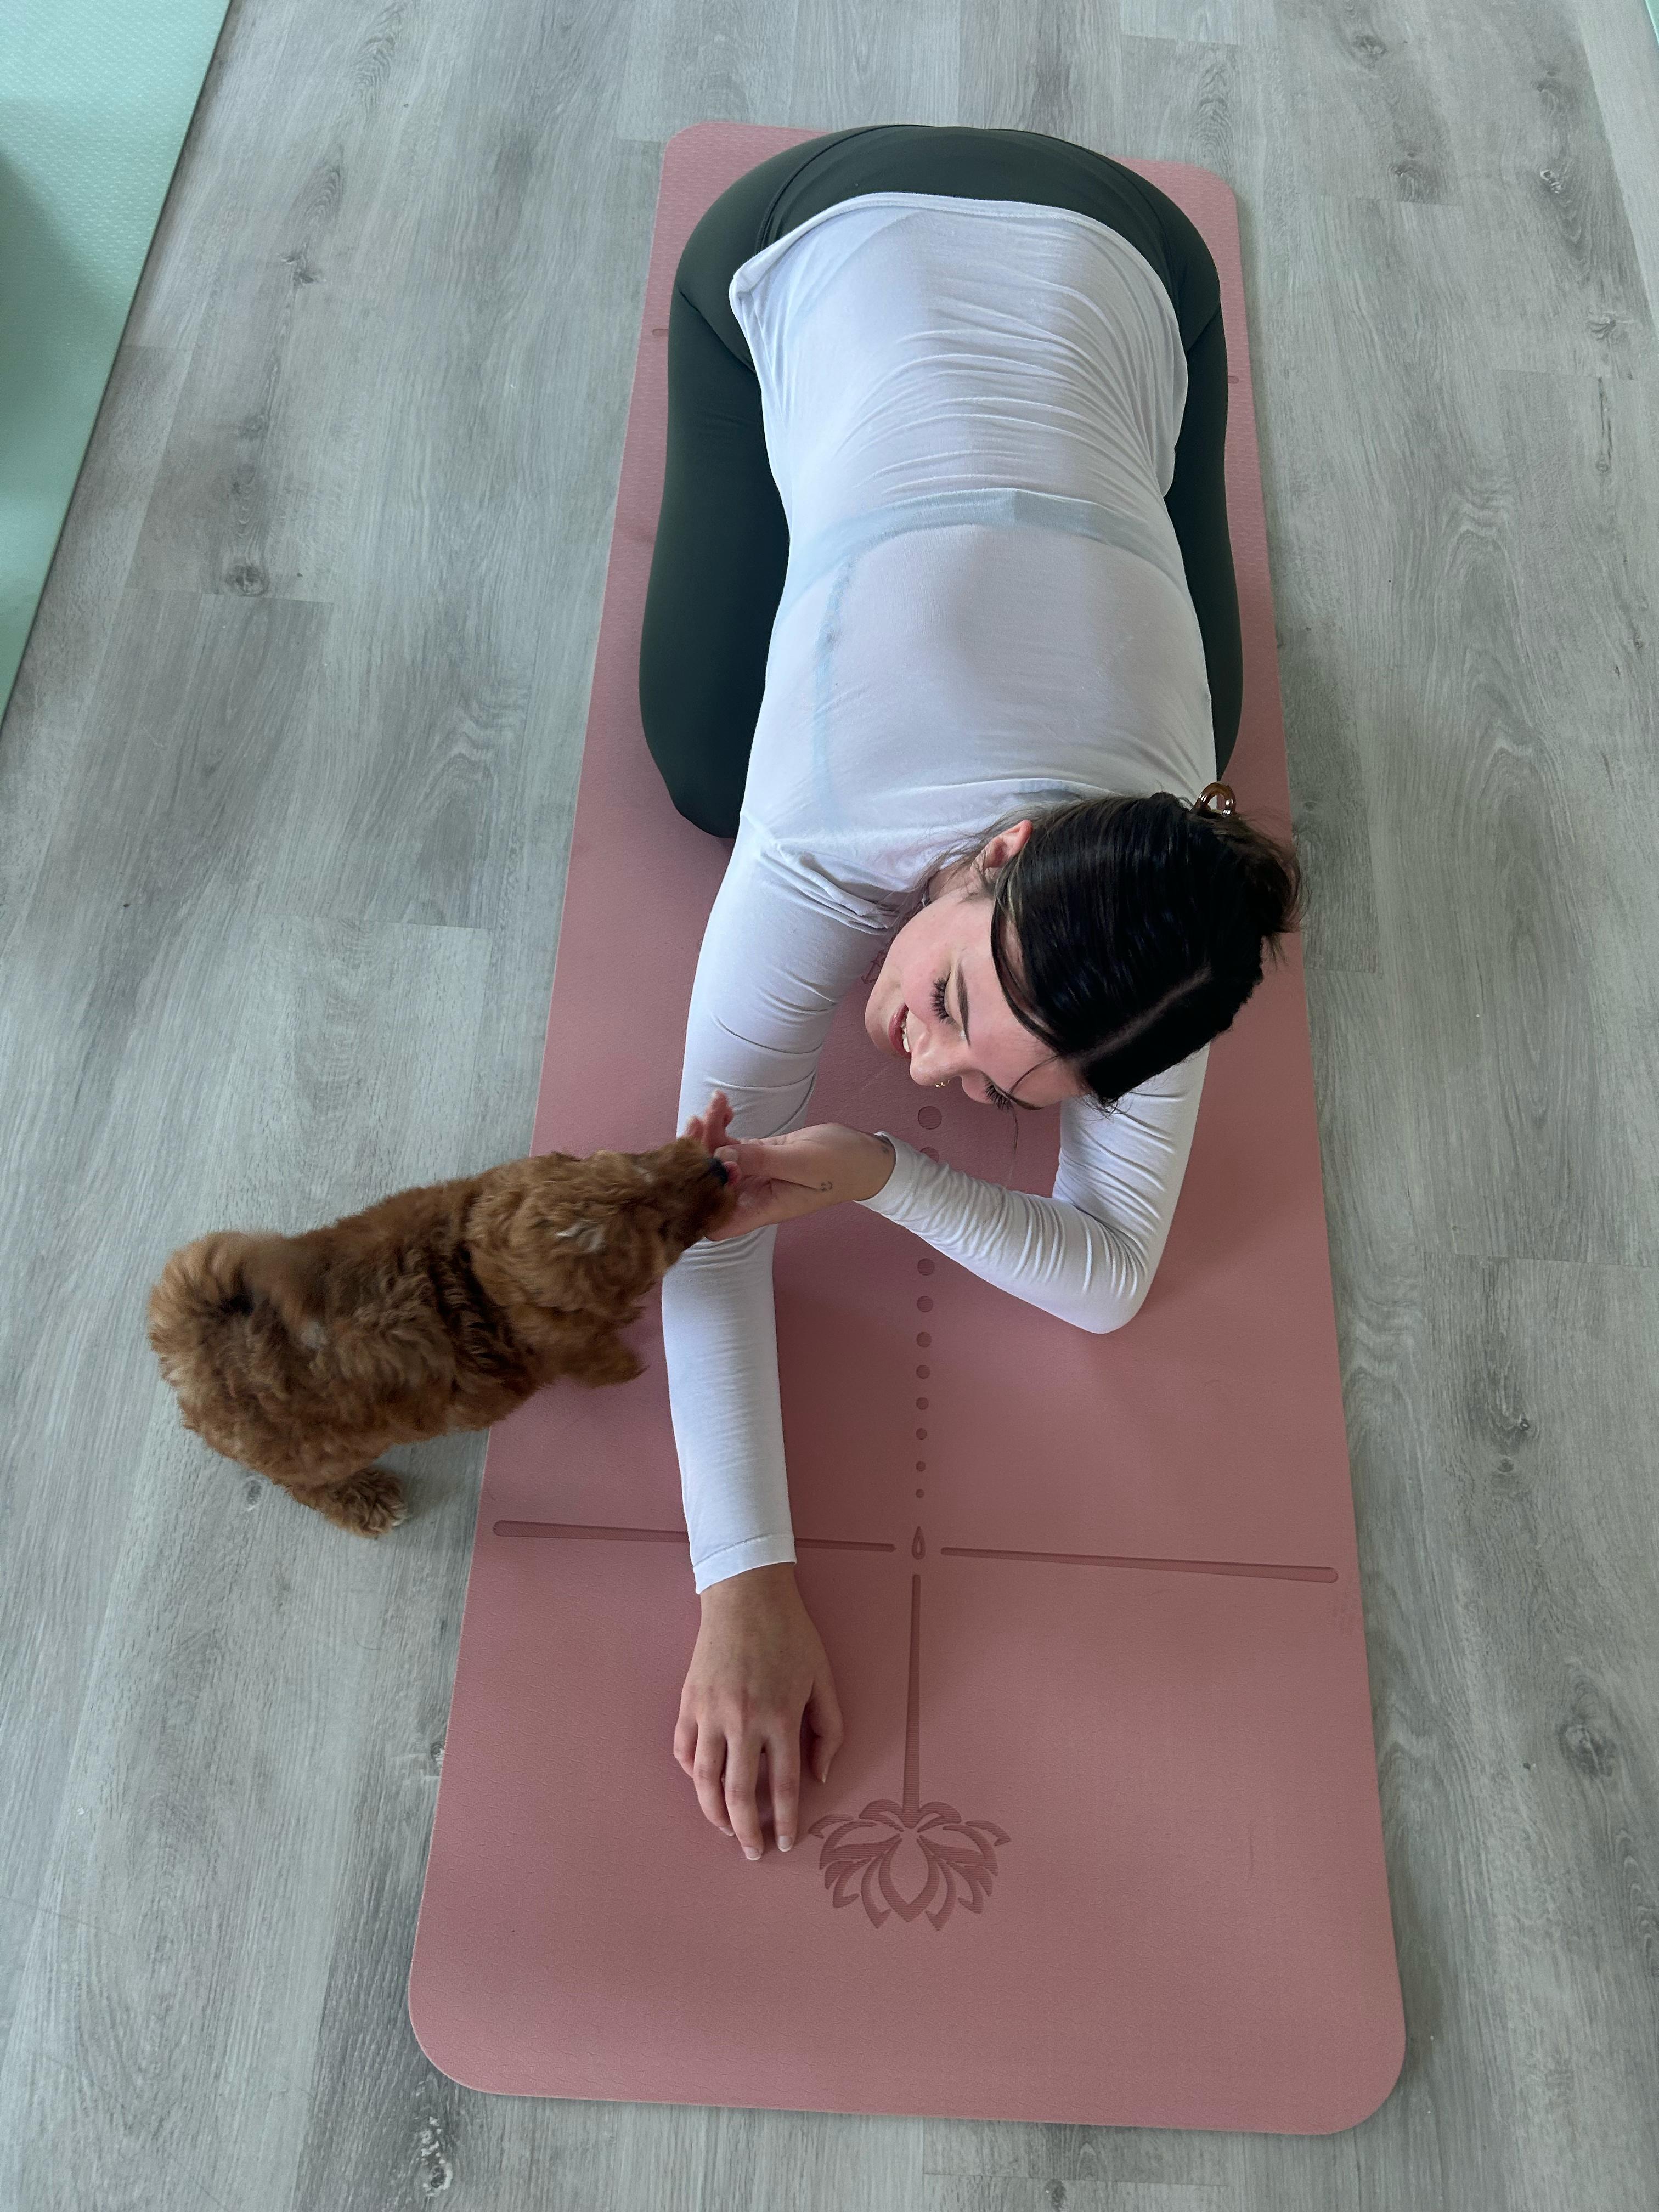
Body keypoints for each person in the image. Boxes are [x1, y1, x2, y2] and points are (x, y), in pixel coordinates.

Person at [636, 124, 1304, 1869]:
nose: (916, 1060)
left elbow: (1111, 1283)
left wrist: (872, 1172)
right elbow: (691, 1209)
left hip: (1132, 278)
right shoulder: (829, 823)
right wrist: (743, 1584)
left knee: (1218, 734)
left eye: (998, 1093)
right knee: (698, 762)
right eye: (945, 992)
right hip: (818, 227)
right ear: (997, 853)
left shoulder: (1164, 910)